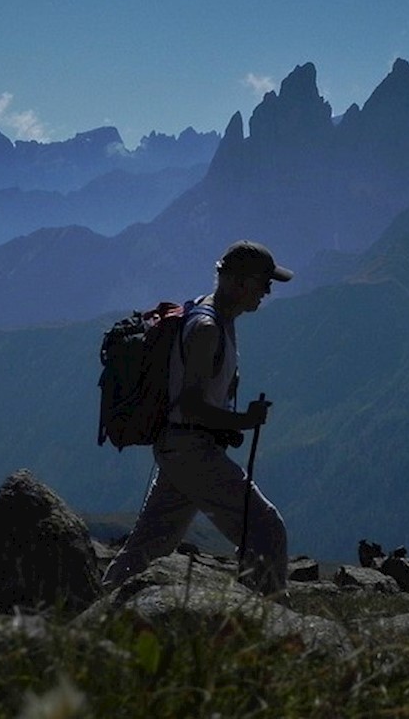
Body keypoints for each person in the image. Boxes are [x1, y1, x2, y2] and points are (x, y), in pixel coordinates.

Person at [102, 240, 292, 595]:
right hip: (191, 450)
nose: (267, 291)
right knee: (265, 529)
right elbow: (191, 406)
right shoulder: (207, 329)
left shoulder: (213, 315)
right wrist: (244, 421)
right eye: (263, 283)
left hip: (179, 448)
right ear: (238, 283)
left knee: (150, 545)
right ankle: (267, 623)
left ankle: (100, 606)